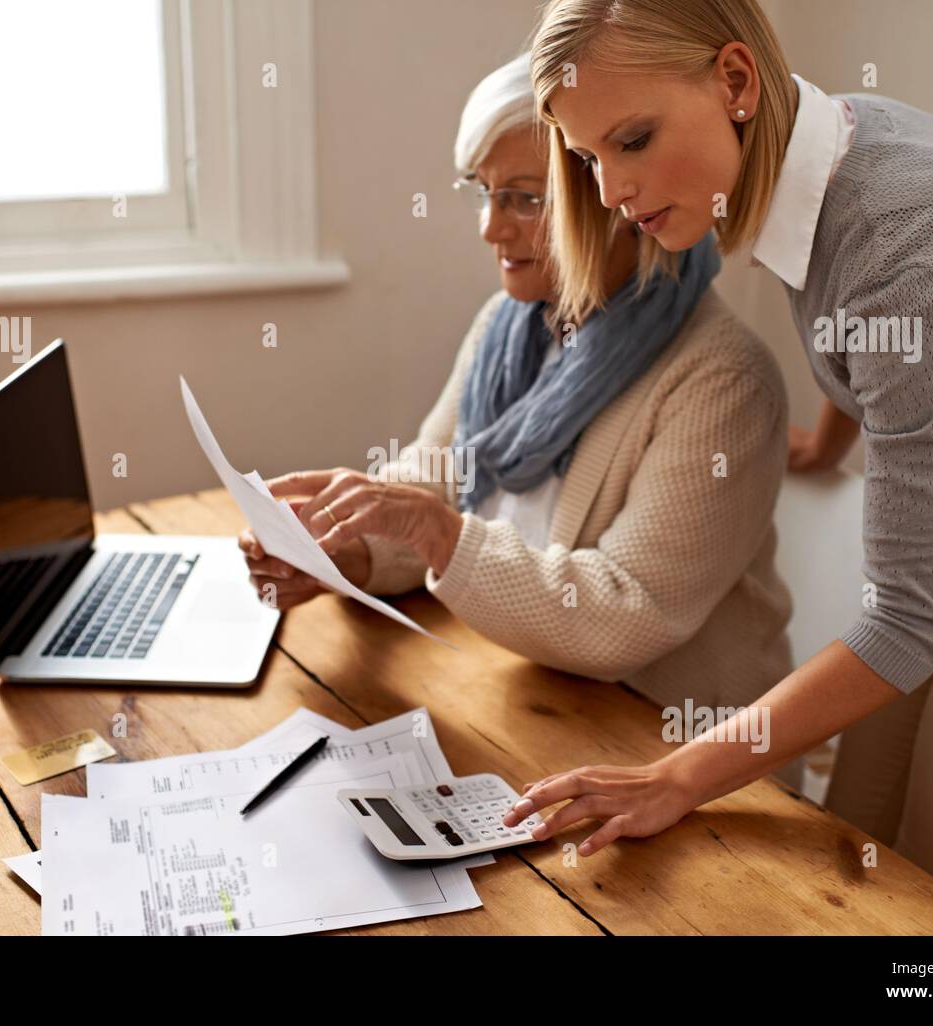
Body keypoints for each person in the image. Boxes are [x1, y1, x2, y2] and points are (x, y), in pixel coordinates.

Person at [511, 0, 933, 913]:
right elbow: (877, 333)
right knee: (853, 867)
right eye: (587, 158)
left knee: (921, 921)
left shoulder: (903, 242)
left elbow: (903, 628)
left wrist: (677, 776)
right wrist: (834, 433)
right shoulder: (813, 151)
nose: (610, 192)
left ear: (735, 80)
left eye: (634, 139)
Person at [240, 53, 793, 716]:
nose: (489, 228)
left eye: (524, 198)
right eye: (482, 191)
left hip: (671, 746)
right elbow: (440, 479)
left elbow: (625, 612)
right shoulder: (512, 322)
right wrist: (343, 551)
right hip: (527, 693)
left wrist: (439, 533)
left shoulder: (723, 381)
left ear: (615, 192)